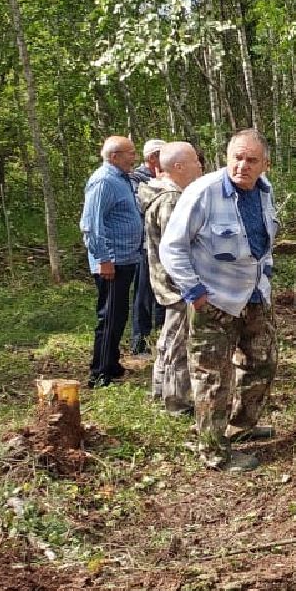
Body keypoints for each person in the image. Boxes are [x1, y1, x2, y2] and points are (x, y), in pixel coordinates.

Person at [159, 129, 280, 471]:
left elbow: (263, 243)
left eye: (251, 160)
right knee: (213, 378)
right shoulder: (204, 192)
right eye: (236, 158)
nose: (242, 166)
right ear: (226, 158)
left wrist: (265, 278)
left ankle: (241, 427)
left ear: (264, 164)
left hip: (254, 298)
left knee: (263, 361)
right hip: (213, 303)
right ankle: (214, 452)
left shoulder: (264, 193)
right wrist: (194, 293)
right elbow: (172, 247)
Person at [138, 141, 202, 414]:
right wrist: (190, 282)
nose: (200, 166)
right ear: (178, 166)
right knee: (180, 343)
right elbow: (175, 246)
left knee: (169, 338)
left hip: (167, 282)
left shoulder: (161, 193)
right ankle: (176, 402)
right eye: (195, 162)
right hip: (177, 284)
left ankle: (160, 390)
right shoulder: (172, 199)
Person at [80, 136, 142, 388]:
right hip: (111, 262)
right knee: (110, 316)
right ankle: (99, 372)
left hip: (125, 258)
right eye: (130, 153)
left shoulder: (122, 178)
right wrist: (104, 259)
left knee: (119, 314)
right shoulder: (104, 181)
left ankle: (112, 363)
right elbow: (91, 226)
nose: (134, 157)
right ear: (115, 156)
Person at [129, 139, 166, 354]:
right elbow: (141, 208)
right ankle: (139, 342)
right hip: (146, 245)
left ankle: (161, 338)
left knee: (164, 292)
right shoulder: (136, 180)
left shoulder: (159, 177)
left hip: (164, 246)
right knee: (144, 295)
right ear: (152, 158)